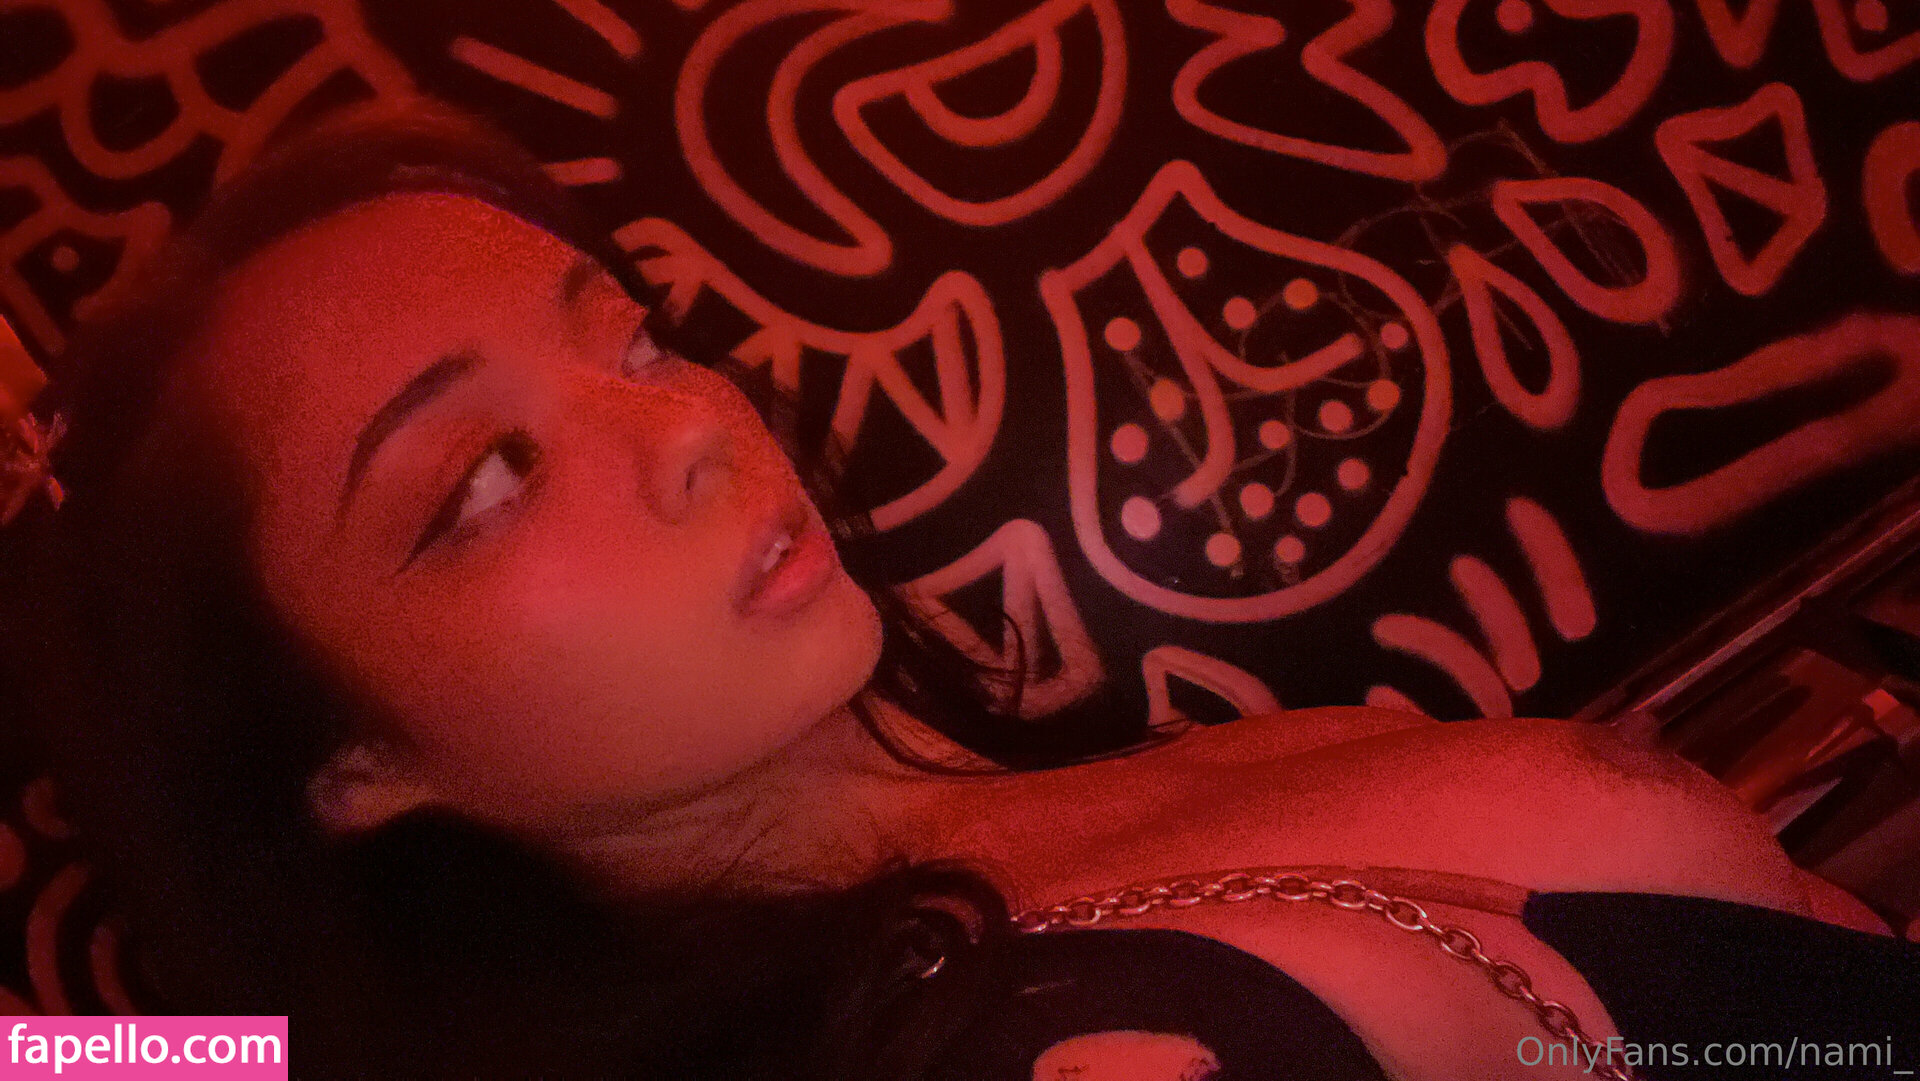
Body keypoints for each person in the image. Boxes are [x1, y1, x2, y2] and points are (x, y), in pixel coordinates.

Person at [3, 99, 1914, 1080]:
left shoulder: (1046, 810)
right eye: (485, 482)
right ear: (348, 763)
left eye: (637, 338)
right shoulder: (1039, 1038)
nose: (690, 426)